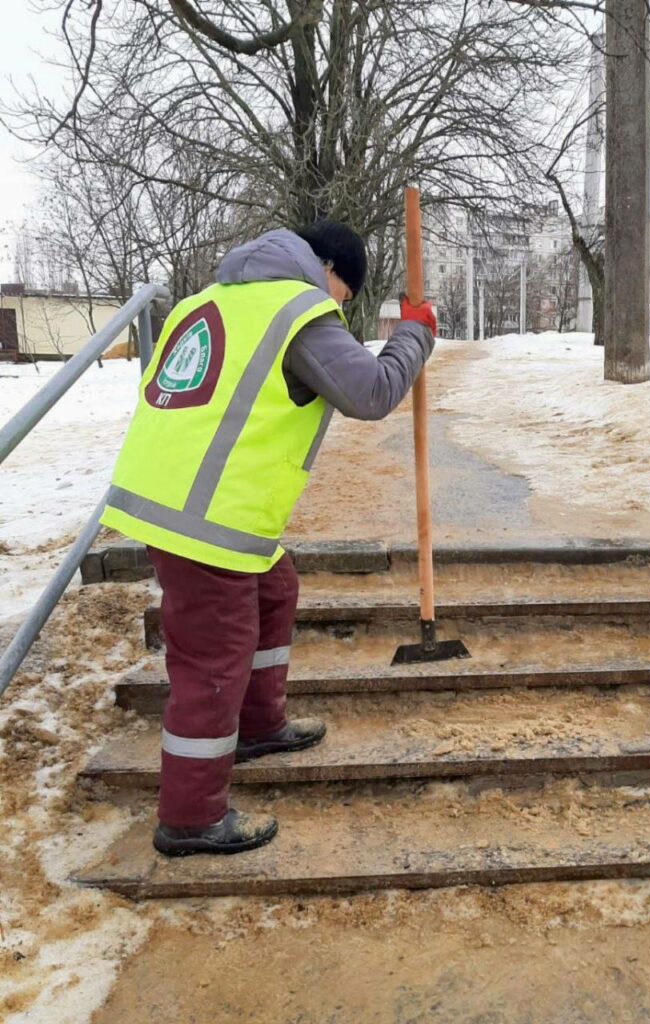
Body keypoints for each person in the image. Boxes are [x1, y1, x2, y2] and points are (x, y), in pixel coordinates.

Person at [101, 222, 437, 856]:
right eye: (345, 296)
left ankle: (259, 725)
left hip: (186, 501)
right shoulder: (297, 309)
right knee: (213, 658)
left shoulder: (208, 301)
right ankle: (191, 818)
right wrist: (415, 334)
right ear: (330, 270)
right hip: (206, 518)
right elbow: (370, 392)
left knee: (275, 586)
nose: (339, 308)